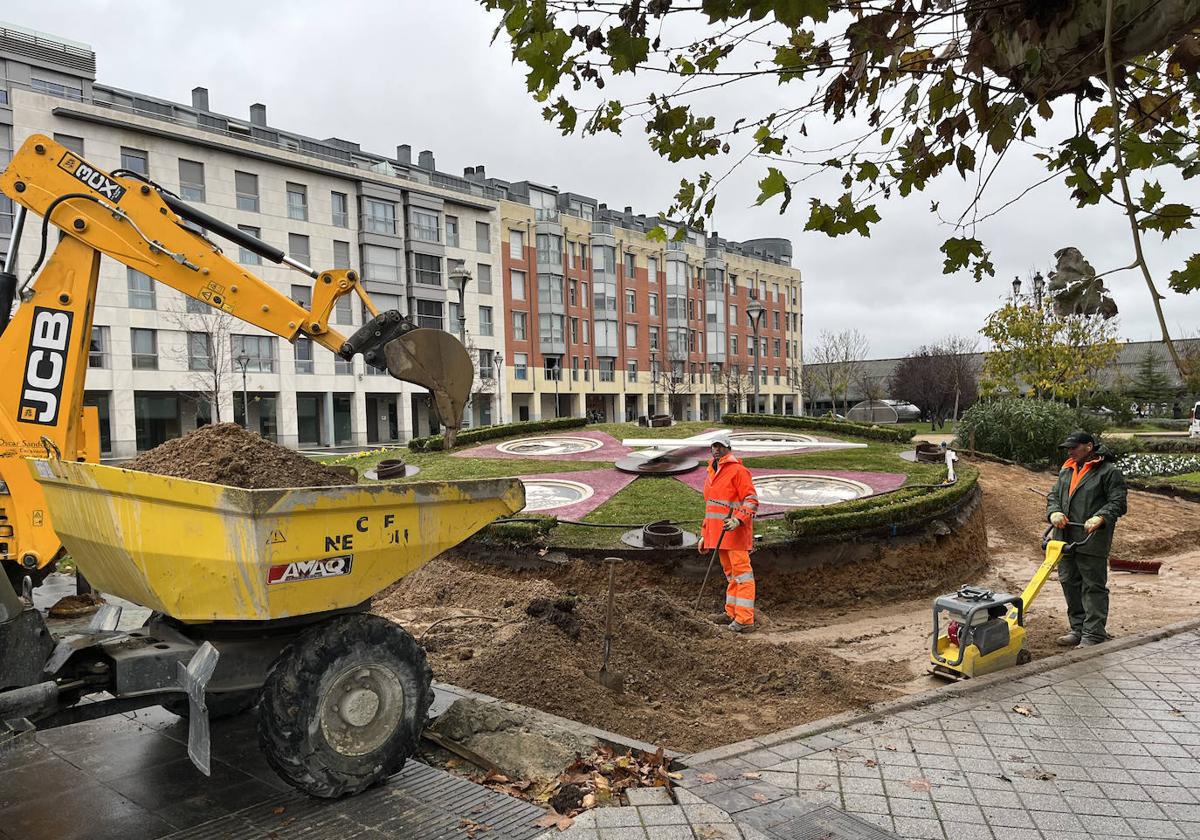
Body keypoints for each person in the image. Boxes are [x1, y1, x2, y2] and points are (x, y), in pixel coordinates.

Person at [1046, 430, 1128, 648]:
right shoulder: (1067, 469)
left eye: (1074, 448)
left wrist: (1101, 517)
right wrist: (1054, 511)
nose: (1070, 452)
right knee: (1069, 582)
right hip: (1065, 537)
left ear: (1089, 447)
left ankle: (1093, 634)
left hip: (1091, 538)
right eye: (1068, 449)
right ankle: (1078, 628)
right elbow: (1054, 495)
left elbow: (1118, 502)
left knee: (1093, 586)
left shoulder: (1108, 472)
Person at [698, 433, 759, 633]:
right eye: (713, 446)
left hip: (735, 533)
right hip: (718, 535)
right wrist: (705, 534)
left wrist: (738, 519)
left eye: (720, 446)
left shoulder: (738, 471)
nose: (716, 449)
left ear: (728, 448)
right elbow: (711, 507)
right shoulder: (711, 471)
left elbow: (751, 500)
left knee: (742, 576)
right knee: (732, 576)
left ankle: (745, 620)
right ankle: (731, 613)